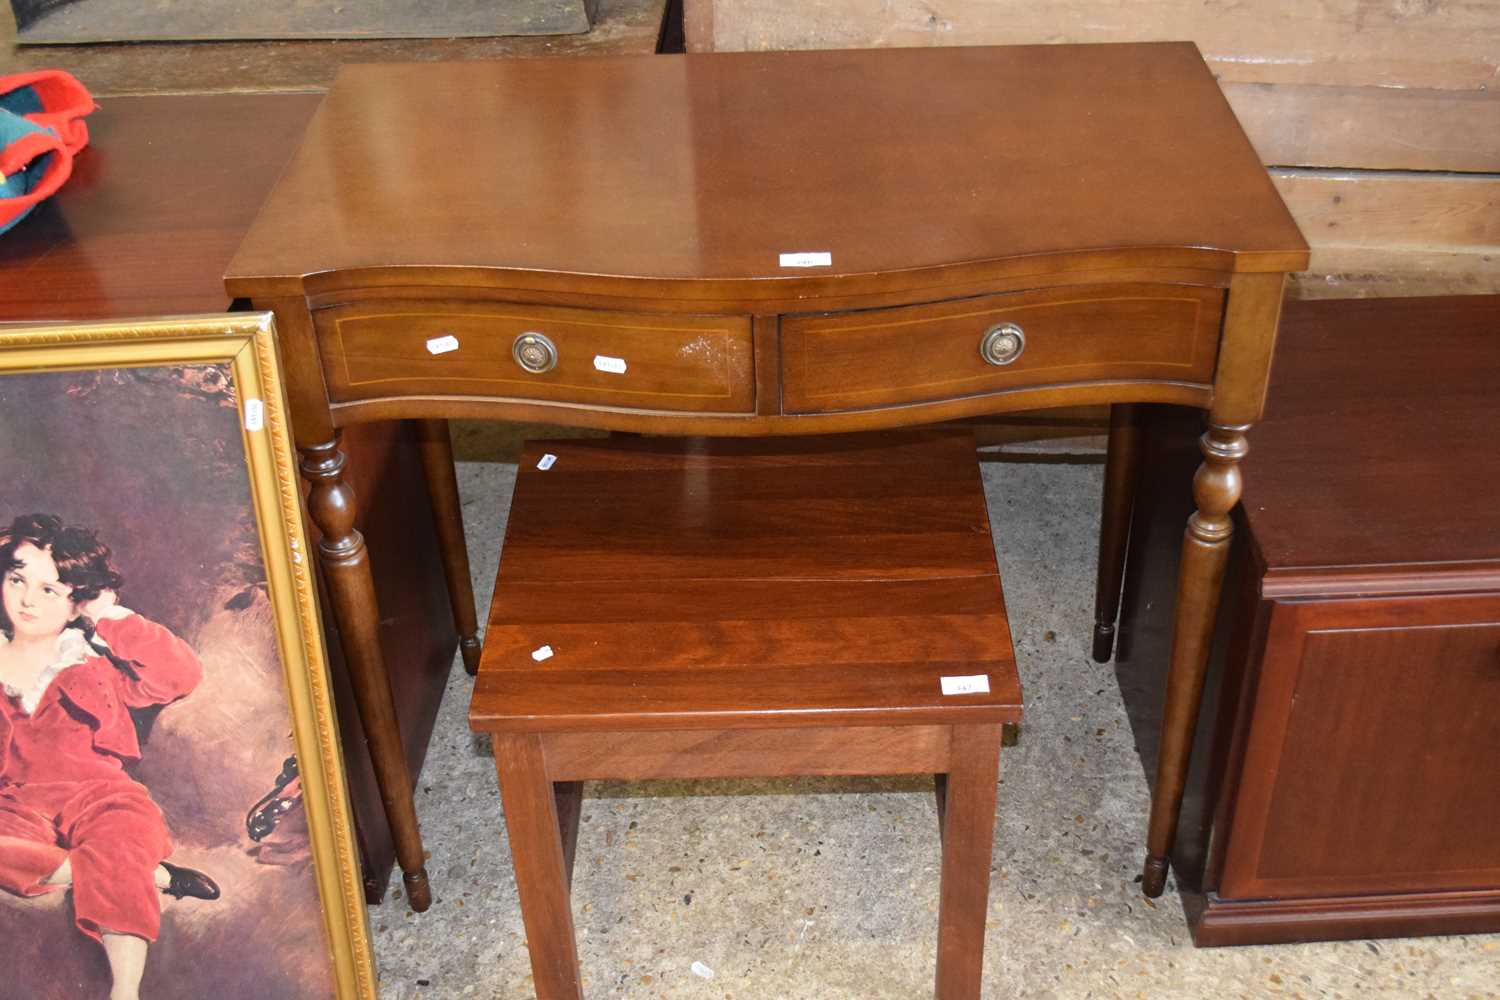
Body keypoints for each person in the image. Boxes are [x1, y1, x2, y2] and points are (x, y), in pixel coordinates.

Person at [0, 513, 218, 1000]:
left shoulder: (90, 659)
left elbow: (178, 675)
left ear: (76, 601)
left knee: (120, 836)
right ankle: (141, 874)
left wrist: (106, 614)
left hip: (99, 793)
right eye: (17, 580)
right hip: (15, 801)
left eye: (50, 590)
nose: (28, 599)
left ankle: (125, 991)